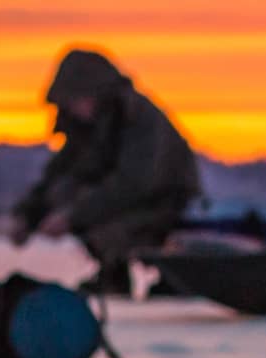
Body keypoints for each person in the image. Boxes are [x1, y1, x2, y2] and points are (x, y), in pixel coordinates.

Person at [11, 48, 202, 295]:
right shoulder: (88, 128)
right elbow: (58, 174)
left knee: (100, 218)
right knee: (66, 193)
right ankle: (112, 272)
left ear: (96, 93)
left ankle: (171, 274)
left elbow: (134, 183)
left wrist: (73, 216)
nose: (73, 109)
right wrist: (29, 215)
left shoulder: (139, 118)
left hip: (168, 202)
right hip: (123, 200)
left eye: (76, 99)